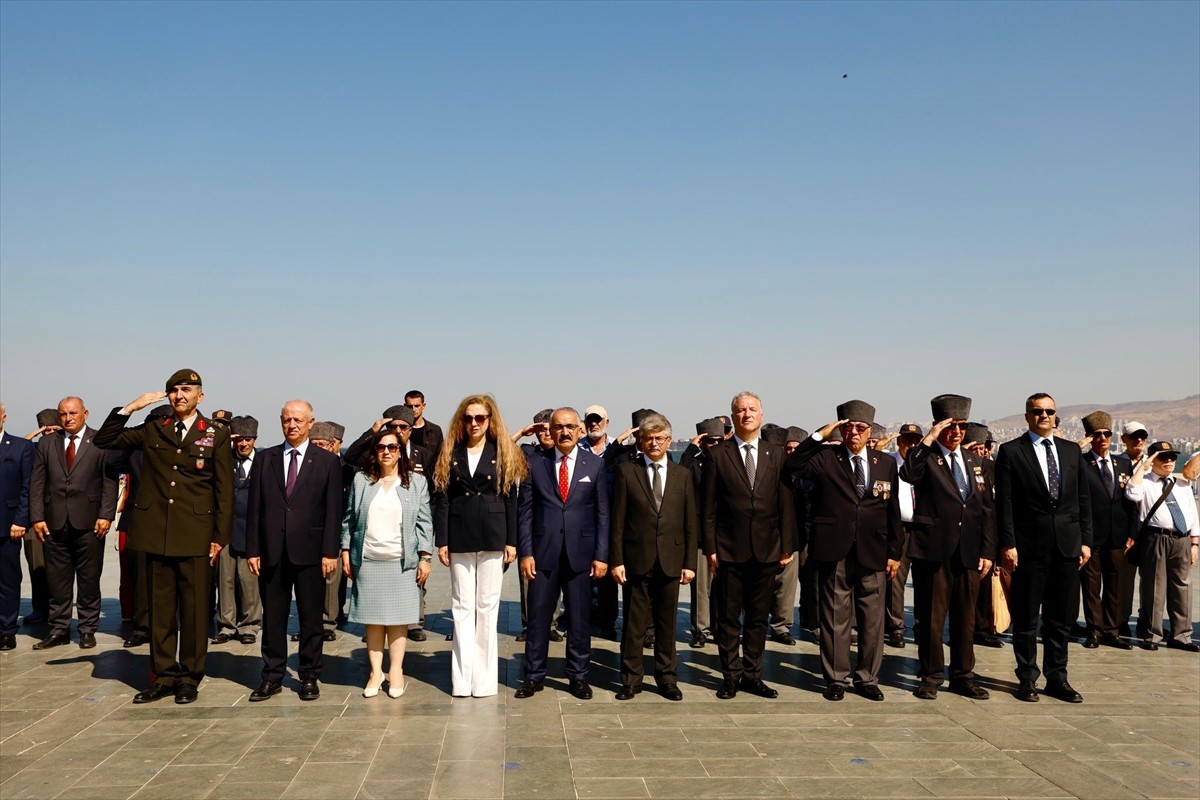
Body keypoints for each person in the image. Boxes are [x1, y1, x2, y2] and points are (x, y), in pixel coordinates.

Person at [94, 369, 234, 704]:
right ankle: (164, 675)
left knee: (195, 610)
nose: (179, 396)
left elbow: (224, 490)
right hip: (156, 533)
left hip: (197, 534)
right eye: (174, 391)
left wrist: (220, 537)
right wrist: (132, 407)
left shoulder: (215, 433)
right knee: (160, 610)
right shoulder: (154, 428)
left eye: (187, 390)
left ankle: (189, 677)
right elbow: (103, 441)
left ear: (201, 395)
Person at [786, 400, 901, 702]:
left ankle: (867, 678)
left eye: (860, 428)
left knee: (872, 619)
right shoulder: (826, 458)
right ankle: (836, 678)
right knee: (835, 617)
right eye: (848, 427)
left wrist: (895, 553)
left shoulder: (885, 463)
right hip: (834, 549)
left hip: (873, 550)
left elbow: (893, 511)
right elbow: (793, 466)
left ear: (870, 431)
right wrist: (820, 435)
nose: (854, 433)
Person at [996, 392, 1092, 703]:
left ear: (1056, 415)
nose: (1044, 416)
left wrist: (1086, 540)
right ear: (1027, 416)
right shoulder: (1012, 452)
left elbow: (1083, 499)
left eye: (1049, 411)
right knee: (1026, 617)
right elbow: (1005, 503)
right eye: (1037, 412)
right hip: (1028, 547)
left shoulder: (1070, 451)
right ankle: (1027, 677)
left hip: (1066, 546)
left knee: (1060, 617)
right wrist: (1008, 543)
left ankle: (1057, 677)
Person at [245, 400, 344, 702]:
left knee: (310, 618)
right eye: (287, 420)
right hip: (272, 552)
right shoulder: (266, 459)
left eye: (298, 420)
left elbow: (333, 512)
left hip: (311, 554)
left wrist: (330, 552)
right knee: (273, 617)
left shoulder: (326, 462)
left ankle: (310, 675)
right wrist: (253, 550)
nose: (292, 425)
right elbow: (255, 509)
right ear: (280, 422)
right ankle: (272, 675)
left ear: (311, 422)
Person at [900, 395, 995, 700]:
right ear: (938, 426)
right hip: (934, 550)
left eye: (962, 426)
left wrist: (988, 551)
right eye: (950, 426)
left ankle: (963, 675)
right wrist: (927, 439)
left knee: (966, 617)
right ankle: (930, 676)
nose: (956, 432)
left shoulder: (973, 461)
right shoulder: (925, 457)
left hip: (969, 550)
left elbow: (986, 509)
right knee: (931, 618)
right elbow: (907, 474)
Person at [703, 392, 796, 700]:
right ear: (733, 417)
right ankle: (731, 676)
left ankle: (753, 675)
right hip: (729, 549)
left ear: (761, 414)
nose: (746, 414)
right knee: (728, 618)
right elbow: (709, 507)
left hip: (768, 549)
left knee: (758, 619)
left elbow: (786, 503)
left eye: (752, 409)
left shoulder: (777, 454)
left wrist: (787, 545)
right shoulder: (718, 455)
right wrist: (710, 548)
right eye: (740, 410)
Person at [432, 394, 525, 697]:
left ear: (490, 420)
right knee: (462, 606)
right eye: (468, 418)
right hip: (459, 533)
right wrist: (442, 540)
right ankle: (462, 680)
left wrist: (512, 540)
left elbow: (512, 499)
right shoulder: (451, 452)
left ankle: (483, 681)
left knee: (487, 607)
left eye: (480, 418)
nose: (474, 423)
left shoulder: (504, 452)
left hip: (493, 534)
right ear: (461, 420)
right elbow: (443, 499)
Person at [515, 407, 610, 700]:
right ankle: (533, 675)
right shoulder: (535, 463)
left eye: (570, 426)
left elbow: (603, 514)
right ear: (551, 431)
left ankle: (578, 676)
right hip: (543, 554)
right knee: (538, 619)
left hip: (581, 555)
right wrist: (526, 552)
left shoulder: (593, 465)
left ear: (580, 430)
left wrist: (602, 555)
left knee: (580, 619)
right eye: (559, 427)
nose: (565, 432)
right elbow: (525, 512)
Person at [609, 413, 697, 701]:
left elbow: (690, 523)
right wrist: (617, 560)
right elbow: (617, 521)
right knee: (634, 624)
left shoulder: (682, 475)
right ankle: (631, 679)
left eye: (660, 438)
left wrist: (689, 564)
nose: (655, 442)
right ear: (640, 441)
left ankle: (667, 679)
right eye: (649, 438)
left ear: (669, 441)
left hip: (671, 559)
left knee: (666, 624)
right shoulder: (626, 472)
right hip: (636, 559)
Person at [342, 428, 433, 697]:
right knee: (373, 621)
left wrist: (425, 557)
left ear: (400, 451)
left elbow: (424, 523)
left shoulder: (416, 482)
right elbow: (349, 519)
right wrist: (345, 550)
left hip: (401, 562)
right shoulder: (361, 481)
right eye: (381, 447)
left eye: (392, 447)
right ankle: (374, 671)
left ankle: (395, 670)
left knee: (398, 621)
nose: (386, 452)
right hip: (368, 560)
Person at [29, 397, 119, 650]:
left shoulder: (100, 441)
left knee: (89, 579)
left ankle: (87, 628)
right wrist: (36, 517)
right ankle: (59, 629)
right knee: (57, 580)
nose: (68, 418)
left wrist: (106, 515)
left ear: (85, 414)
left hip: (90, 522)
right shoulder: (47, 443)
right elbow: (36, 483)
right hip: (54, 522)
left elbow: (109, 482)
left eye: (72, 413)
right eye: (63, 414)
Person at [1125, 441, 1199, 652]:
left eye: (1172, 457)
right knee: (1154, 587)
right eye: (1163, 457)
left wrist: (1194, 542)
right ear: (1152, 459)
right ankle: (1152, 634)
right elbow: (1131, 493)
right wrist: (1143, 467)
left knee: (1183, 587)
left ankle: (1181, 636)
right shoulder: (1144, 482)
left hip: (1182, 539)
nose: (1169, 461)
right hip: (1156, 538)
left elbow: (1192, 513)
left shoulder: (1182, 484)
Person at [1077, 411, 1135, 650]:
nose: (1102, 438)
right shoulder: (1081, 463)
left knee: (1115, 585)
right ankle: (1094, 631)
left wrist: (1132, 533)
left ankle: (1112, 631)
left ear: (1112, 437)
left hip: (1118, 535)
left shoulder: (1123, 463)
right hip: (1091, 536)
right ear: (1089, 437)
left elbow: (1131, 500)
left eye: (1106, 434)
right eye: (1096, 434)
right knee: (1091, 587)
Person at [211, 415, 262, 646]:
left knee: (249, 580)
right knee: (226, 579)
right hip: (225, 530)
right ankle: (226, 625)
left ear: (255, 439)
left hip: (251, 531)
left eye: (248, 439)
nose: (243, 444)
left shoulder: (263, 463)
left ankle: (250, 625)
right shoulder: (223, 461)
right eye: (239, 439)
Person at [681, 416, 725, 649]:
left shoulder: (729, 460)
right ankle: (700, 629)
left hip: (726, 534)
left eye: (719, 440)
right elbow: (678, 476)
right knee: (701, 589)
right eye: (710, 441)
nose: (714, 445)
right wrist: (690, 449)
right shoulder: (694, 462)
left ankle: (720, 628)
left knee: (724, 588)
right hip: (700, 534)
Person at [0, 404, 34, 651]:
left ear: (3, 417)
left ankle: (6, 630)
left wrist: (21, 520)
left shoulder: (21, 447)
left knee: (8, 579)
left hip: (8, 525)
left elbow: (28, 488)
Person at [885, 423, 923, 649]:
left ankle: (921, 625)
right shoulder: (889, 463)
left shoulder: (925, 464)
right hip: (899, 527)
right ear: (899, 441)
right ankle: (896, 627)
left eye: (915, 440)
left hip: (922, 529)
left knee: (924, 581)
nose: (911, 444)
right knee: (896, 581)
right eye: (907, 440)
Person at [405, 390, 444, 457]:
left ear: (423, 406)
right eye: (410, 407)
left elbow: (441, 456)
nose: (413, 409)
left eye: (417, 406)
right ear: (405, 406)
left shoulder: (435, 430)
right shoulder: (400, 429)